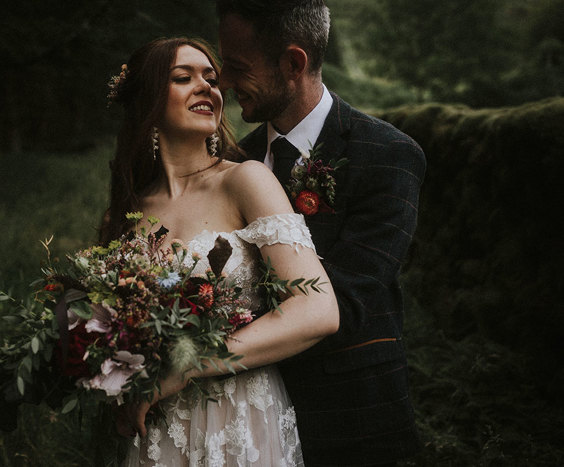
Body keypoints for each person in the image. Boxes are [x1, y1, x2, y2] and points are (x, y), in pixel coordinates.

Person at [128, 1, 427, 465]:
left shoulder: (386, 154)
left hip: (351, 419)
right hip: (228, 421)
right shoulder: (232, 162)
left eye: (237, 67)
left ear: (293, 63)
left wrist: (190, 352)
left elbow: (345, 300)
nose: (222, 81)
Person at [102, 37, 339, 466]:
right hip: (154, 428)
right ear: (148, 100)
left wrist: (186, 368)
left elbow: (318, 309)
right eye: (183, 77)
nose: (207, 87)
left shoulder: (245, 181)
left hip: (236, 416)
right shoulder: (127, 212)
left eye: (211, 78)